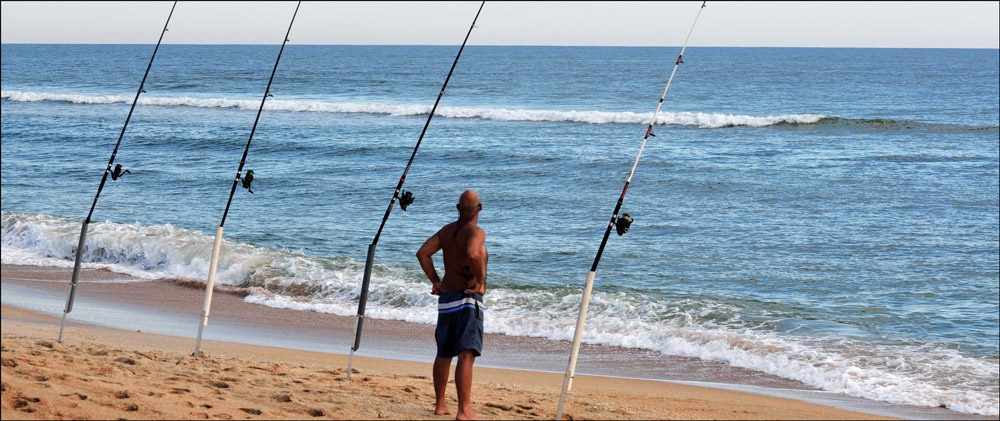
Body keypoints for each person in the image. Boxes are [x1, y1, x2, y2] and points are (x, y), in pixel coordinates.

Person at [416, 189, 487, 420]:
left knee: (444, 353)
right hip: (467, 299)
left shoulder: (447, 231)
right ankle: (464, 411)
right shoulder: (476, 232)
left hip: (447, 300)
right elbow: (474, 254)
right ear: (480, 208)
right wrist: (480, 282)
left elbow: (423, 253)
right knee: (466, 355)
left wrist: (437, 281)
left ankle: (440, 405)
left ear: (458, 208)